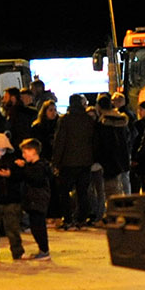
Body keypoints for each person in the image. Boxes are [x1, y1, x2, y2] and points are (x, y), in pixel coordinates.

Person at [52, 93, 99, 229]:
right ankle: (82, 218)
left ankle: (68, 219)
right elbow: (94, 141)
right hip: (85, 162)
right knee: (82, 192)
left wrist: (56, 161)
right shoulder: (88, 120)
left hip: (68, 162)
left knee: (65, 191)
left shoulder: (65, 120)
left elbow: (60, 141)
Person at [0, 131, 25, 259]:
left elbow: (20, 177)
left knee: (13, 228)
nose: (0, 153)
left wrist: (11, 174)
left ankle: (17, 251)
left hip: (11, 199)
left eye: (2, 150)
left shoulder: (15, 161)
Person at [15, 137, 53, 259]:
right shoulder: (33, 166)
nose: (23, 155)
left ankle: (44, 250)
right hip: (33, 200)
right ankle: (42, 249)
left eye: (25, 152)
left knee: (38, 227)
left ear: (33, 151)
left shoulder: (40, 166)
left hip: (38, 200)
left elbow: (35, 178)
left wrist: (23, 168)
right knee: (35, 226)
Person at [96, 93, 132, 197]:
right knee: (123, 186)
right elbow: (128, 138)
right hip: (123, 157)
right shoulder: (122, 121)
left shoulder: (102, 124)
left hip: (109, 163)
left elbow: (102, 144)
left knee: (111, 193)